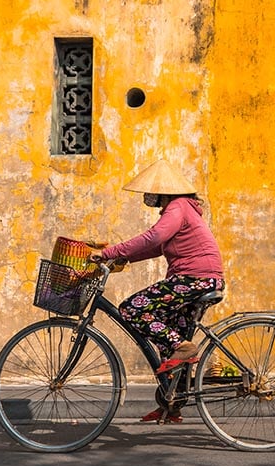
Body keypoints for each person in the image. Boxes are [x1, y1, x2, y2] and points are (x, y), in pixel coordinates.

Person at [89, 159, 225, 379]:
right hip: (202, 279)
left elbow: (154, 238)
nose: (148, 196)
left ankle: (183, 347)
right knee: (169, 337)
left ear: (164, 192)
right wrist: (123, 258)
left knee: (131, 309)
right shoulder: (182, 209)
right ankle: (171, 403)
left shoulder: (177, 206)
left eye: (152, 191)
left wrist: (109, 252)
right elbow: (157, 248)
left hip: (193, 279)